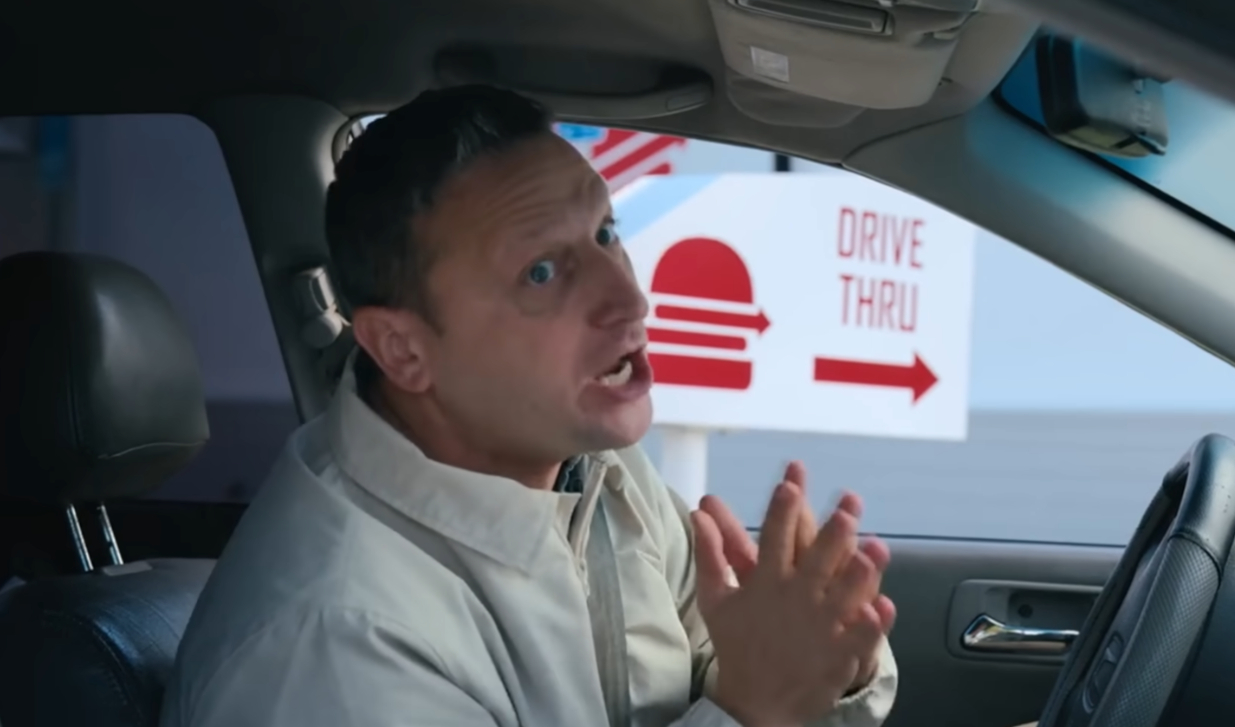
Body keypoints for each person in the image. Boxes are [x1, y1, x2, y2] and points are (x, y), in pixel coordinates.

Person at [161, 85, 898, 727]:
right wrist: (753, 709)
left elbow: (725, 661)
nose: (629, 298)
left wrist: (826, 659)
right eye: (541, 272)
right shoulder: (331, 644)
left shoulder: (592, 468)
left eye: (606, 233)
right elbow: (749, 694)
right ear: (403, 350)